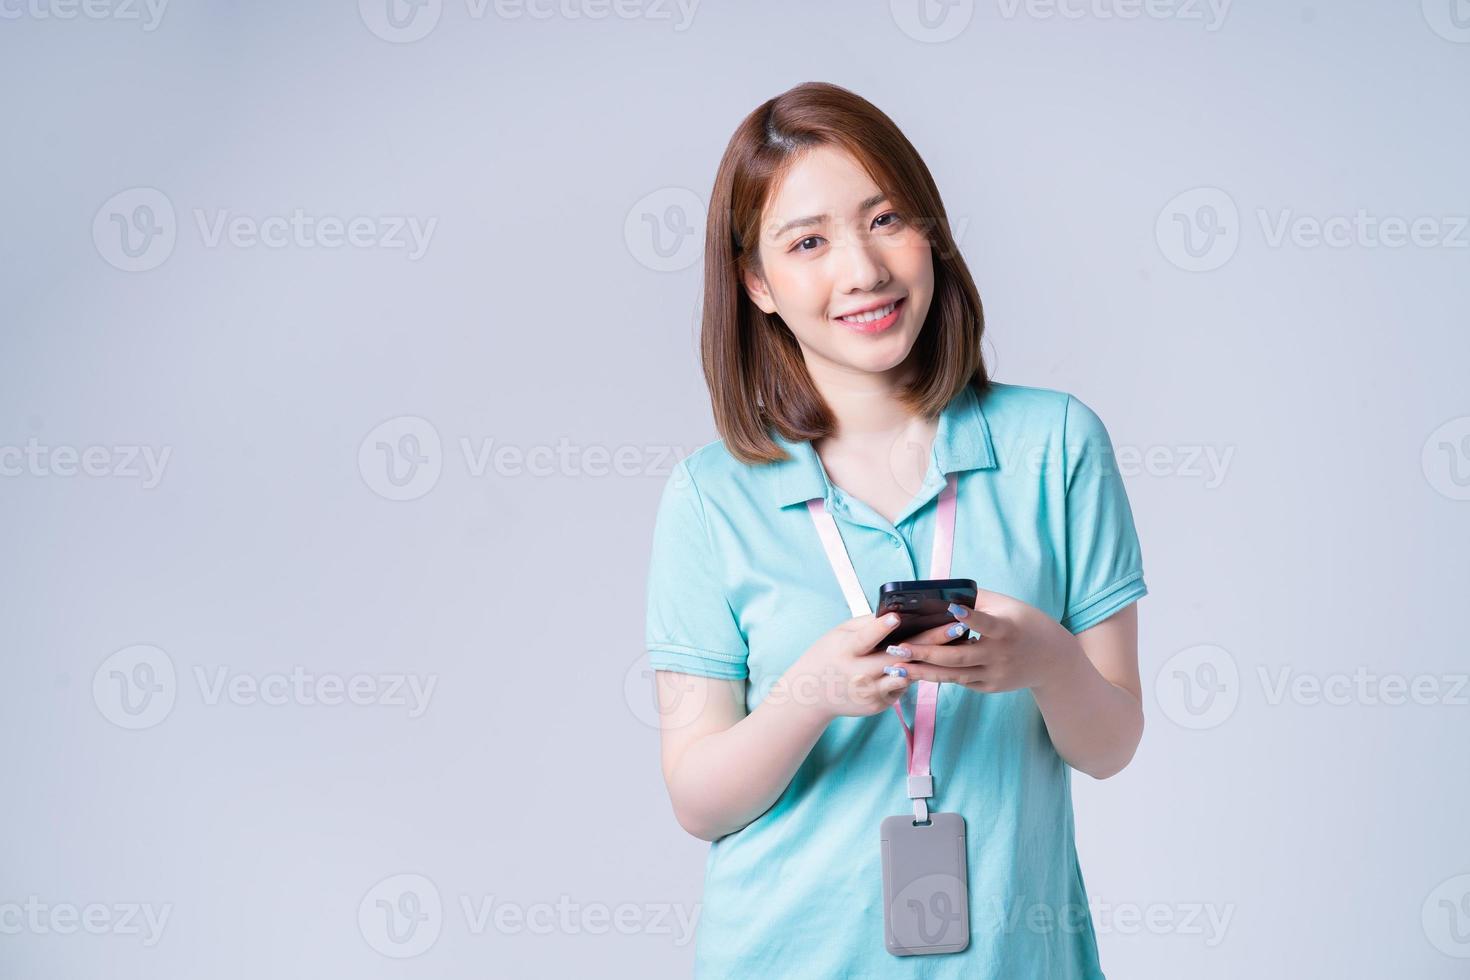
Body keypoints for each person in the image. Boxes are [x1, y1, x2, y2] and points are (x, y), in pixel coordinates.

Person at [643, 81, 1148, 978]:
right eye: (808, 243)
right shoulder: (709, 498)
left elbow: (1110, 744)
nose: (864, 272)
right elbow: (699, 798)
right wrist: (812, 693)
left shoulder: (1060, 444)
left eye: (886, 220)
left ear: (932, 234)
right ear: (757, 283)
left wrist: (1047, 660)